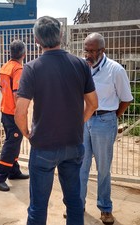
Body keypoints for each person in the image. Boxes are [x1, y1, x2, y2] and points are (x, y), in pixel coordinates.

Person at [14, 16, 98, 225]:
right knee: (74, 202)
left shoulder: (32, 68)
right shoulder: (80, 65)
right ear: (61, 35)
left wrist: (27, 134)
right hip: (73, 144)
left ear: (36, 40)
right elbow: (94, 103)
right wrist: (78, 123)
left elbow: (20, 112)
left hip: (43, 146)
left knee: (38, 206)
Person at [80, 33, 133, 225]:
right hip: (84, 121)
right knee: (81, 166)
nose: (88, 54)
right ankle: (77, 206)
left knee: (103, 169)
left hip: (104, 120)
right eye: (86, 50)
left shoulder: (115, 70)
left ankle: (105, 208)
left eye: (93, 51)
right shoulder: (81, 67)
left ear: (103, 50)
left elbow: (126, 99)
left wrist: (111, 118)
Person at [0, 39, 29, 192]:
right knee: (11, 144)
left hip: (5, 111)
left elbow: (3, 89)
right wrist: (21, 113)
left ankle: (14, 171)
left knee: (13, 142)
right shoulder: (18, 69)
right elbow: (17, 94)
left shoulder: (5, 67)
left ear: (10, 52)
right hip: (13, 113)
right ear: (24, 54)